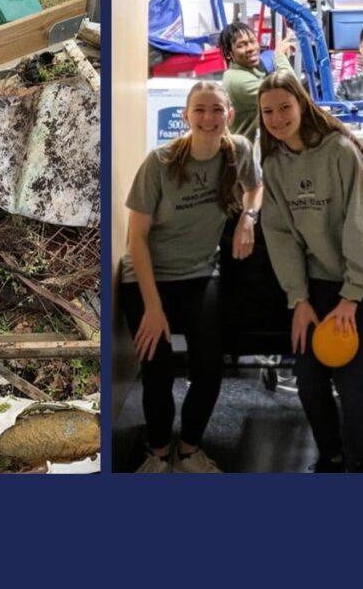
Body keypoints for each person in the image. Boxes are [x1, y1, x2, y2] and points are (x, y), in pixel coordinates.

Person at [257, 70, 363, 472]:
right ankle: (331, 456)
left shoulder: (341, 150)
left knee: (350, 377)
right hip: (322, 274)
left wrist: (351, 298)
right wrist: (299, 299)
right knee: (308, 376)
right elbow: (280, 236)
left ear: (302, 105)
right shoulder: (273, 165)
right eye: (268, 111)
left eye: (284, 107)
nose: (277, 118)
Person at [121, 81, 260, 473]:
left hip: (199, 273)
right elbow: (137, 239)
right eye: (199, 110)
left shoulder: (239, 152)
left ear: (229, 115)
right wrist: (152, 307)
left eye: (216, 109)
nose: (208, 118)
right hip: (147, 277)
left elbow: (255, 187)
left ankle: (189, 449)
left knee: (210, 369)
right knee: (157, 370)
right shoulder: (160, 162)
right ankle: (159, 451)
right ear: (185, 115)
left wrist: (248, 218)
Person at [217, 21, 263, 136]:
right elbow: (287, 94)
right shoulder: (238, 80)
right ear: (228, 54)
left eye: (252, 41)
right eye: (241, 45)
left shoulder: (247, 71)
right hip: (247, 152)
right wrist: (281, 57)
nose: (251, 48)